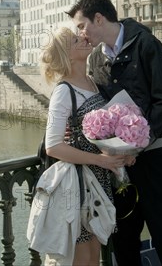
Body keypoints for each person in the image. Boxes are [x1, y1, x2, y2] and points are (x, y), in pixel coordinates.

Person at [67, 0, 162, 266]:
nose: (81, 33)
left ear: (98, 18)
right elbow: (100, 108)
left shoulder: (146, 45)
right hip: (120, 165)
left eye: (81, 25)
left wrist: (139, 144)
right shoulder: (96, 60)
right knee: (124, 237)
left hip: (153, 160)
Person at [37, 26, 129, 266]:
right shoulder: (64, 91)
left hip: (97, 180)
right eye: (77, 39)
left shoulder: (91, 82)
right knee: (82, 256)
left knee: (94, 253)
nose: (84, 38)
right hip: (78, 185)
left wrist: (122, 151)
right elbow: (53, 146)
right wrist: (102, 160)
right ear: (68, 54)